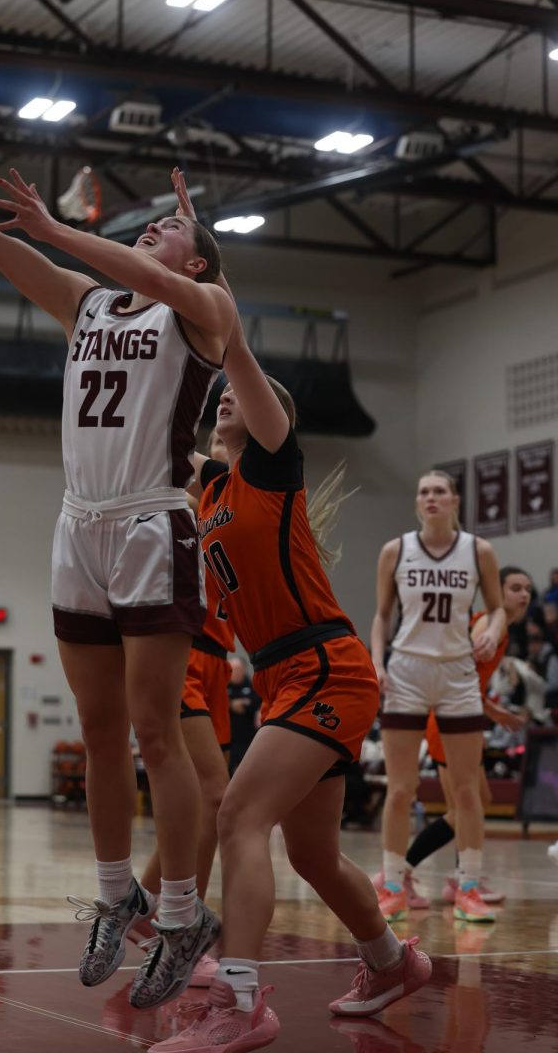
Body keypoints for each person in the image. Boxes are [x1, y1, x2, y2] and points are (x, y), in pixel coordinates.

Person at [0, 111, 234, 1009]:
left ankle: (183, 917)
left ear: (197, 264)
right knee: (100, 732)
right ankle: (120, 897)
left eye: (170, 228)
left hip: (152, 524)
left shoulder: (208, 313)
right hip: (79, 526)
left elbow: (139, 268)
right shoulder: (89, 301)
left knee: (156, 732)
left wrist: (61, 228)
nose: (153, 230)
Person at [148, 178, 431, 1053]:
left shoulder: (271, 461)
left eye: (246, 395)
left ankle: (239, 1001)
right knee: (309, 854)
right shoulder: (215, 487)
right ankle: (390, 961)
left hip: (327, 668)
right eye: (225, 402)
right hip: (283, 680)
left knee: (236, 816)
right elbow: (165, 417)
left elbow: (229, 358)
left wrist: (209, 269)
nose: (230, 399)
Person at [371, 470, 506, 924]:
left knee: (468, 789)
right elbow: (382, 614)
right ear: (417, 502)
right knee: (400, 788)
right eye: (424, 491)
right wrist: (376, 661)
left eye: (439, 491)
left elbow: (498, 607)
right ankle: (393, 886)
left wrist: (493, 629)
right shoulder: (396, 549)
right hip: (407, 668)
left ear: (454, 501)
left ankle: (468, 886)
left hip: (457, 671)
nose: (431, 497)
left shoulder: (478, 550)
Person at [134, 428, 235, 988]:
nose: (222, 442)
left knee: (206, 802)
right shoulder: (192, 503)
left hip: (219, 658)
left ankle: (145, 908)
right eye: (215, 439)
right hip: (185, 653)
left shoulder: (252, 500)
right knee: (215, 794)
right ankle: (180, 925)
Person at [373, 567, 531, 909]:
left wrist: (488, 710)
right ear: (497, 593)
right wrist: (493, 711)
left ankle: (456, 878)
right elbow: (460, 678)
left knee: (476, 802)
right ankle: (401, 875)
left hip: (457, 718)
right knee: (463, 807)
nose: (524, 595)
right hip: (448, 720)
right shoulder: (490, 623)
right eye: (515, 587)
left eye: (527, 589)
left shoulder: (499, 629)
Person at [227, 657, 261, 775]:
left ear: (244, 670)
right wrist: (230, 704)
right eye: (232, 670)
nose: (235, 673)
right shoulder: (222, 688)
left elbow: (257, 704)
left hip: (249, 741)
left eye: (238, 669)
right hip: (228, 741)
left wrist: (243, 705)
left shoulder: (253, 687)